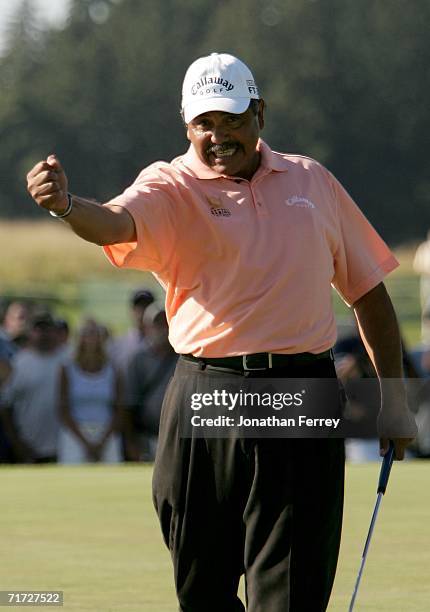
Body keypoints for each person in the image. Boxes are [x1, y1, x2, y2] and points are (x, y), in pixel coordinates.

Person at [26, 52, 417, 611]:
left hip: (300, 393)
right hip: (207, 392)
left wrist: (394, 399)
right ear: (187, 126)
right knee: (201, 589)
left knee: (292, 593)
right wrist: (65, 205)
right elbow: (113, 222)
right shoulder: (170, 185)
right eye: (203, 123)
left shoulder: (312, 181)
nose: (218, 135)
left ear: (260, 113)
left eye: (231, 118)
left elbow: (370, 294)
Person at [0, 312, 64, 463]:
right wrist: (17, 443)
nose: (44, 334)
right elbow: (6, 407)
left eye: (48, 329)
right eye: (39, 329)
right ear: (31, 333)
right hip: (28, 448)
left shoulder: (68, 359)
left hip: (64, 447)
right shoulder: (19, 363)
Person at [58, 319, 123, 464]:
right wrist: (85, 442)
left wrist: (102, 441)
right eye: (86, 334)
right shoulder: (67, 369)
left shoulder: (113, 369)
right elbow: (63, 409)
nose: (91, 338)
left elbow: (119, 410)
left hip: (107, 433)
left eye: (94, 334)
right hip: (75, 434)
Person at [124, 307, 178, 461]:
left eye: (166, 323)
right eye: (157, 323)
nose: (163, 329)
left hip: (176, 437)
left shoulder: (184, 358)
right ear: (147, 328)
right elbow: (128, 404)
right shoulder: (138, 360)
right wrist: (131, 442)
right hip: (146, 436)